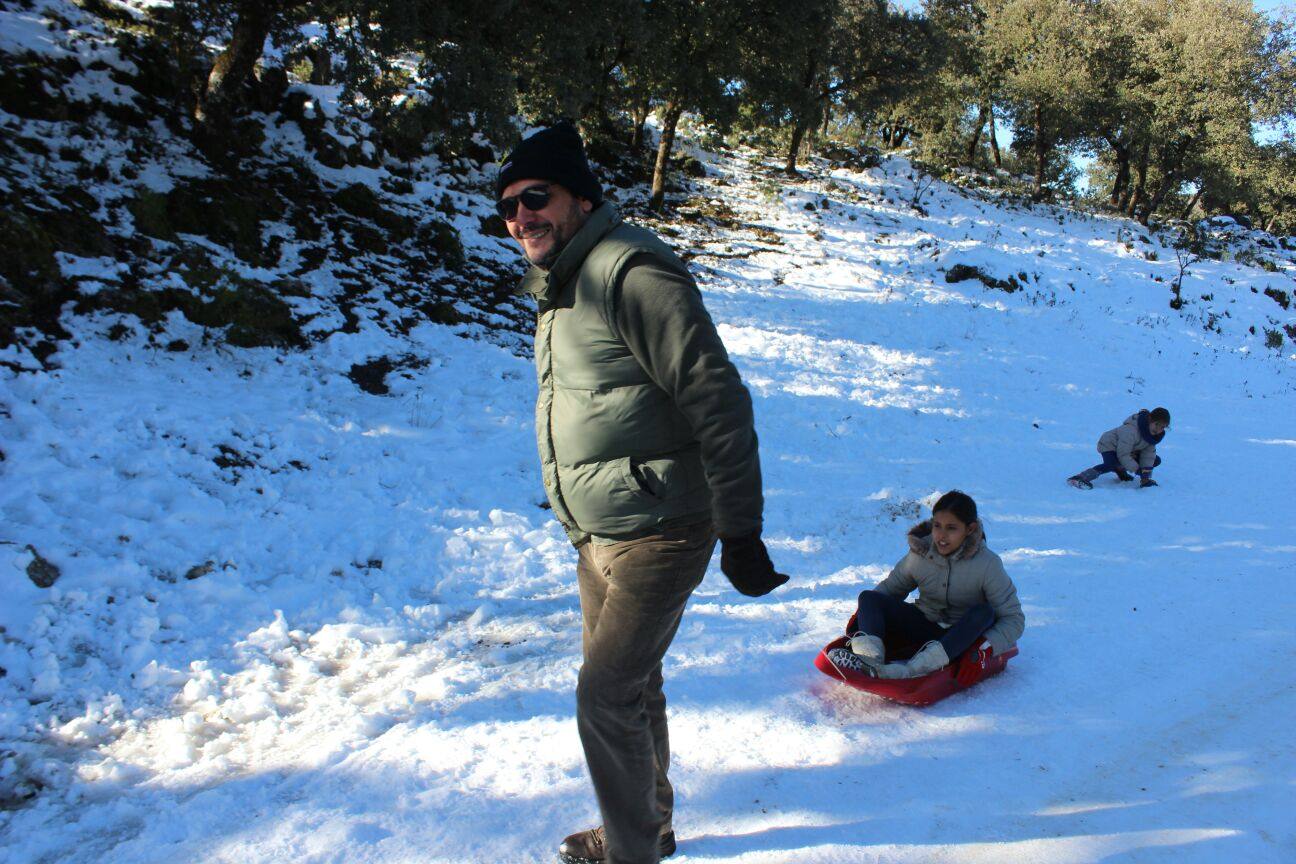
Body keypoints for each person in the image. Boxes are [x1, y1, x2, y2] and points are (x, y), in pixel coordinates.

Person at [494, 122, 788, 864]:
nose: (522, 216)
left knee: (605, 695)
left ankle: (633, 853)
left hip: (664, 527)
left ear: (580, 198)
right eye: (509, 207)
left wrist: (741, 531)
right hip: (600, 533)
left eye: (537, 197)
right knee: (635, 687)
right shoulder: (560, 284)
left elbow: (717, 400)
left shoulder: (632, 273)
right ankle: (649, 825)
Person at [827, 490, 1024, 681]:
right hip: (924, 627)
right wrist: (864, 617)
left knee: (984, 613)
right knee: (868, 598)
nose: (942, 536)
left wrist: (983, 649)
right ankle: (868, 662)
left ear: (970, 529)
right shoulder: (921, 553)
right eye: (937, 526)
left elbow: (1013, 618)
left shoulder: (987, 564)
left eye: (951, 528)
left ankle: (912, 672)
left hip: (961, 637)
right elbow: (890, 591)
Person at [1067, 407, 1170, 489]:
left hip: (1128, 449)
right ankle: (1080, 477)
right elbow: (1123, 454)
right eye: (1156, 424)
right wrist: (1137, 469)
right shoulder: (1131, 430)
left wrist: (1145, 477)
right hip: (1109, 445)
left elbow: (1148, 456)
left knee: (1155, 460)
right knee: (1111, 464)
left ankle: (1120, 470)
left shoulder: (1153, 437)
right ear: (1149, 420)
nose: (1158, 429)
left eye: (1162, 427)